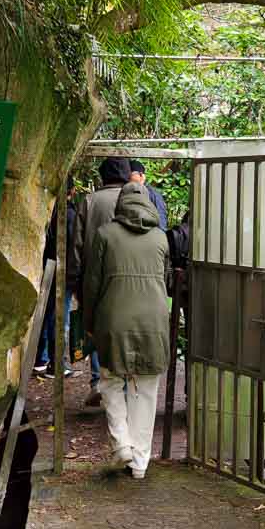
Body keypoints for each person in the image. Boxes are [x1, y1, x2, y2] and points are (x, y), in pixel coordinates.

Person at [83, 181, 171, 480]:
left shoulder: (104, 234)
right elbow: (167, 278)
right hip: (154, 319)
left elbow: (91, 283)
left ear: (120, 205)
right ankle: (140, 463)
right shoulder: (161, 238)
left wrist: (89, 323)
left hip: (114, 317)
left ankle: (121, 443)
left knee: (110, 380)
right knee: (145, 390)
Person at [70, 157, 133, 405]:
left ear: (102, 177)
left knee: (94, 329)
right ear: (127, 176)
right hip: (127, 278)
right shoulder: (137, 199)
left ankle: (99, 382)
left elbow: (76, 245)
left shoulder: (89, 201)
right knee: (125, 330)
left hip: (93, 279)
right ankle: (124, 386)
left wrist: (76, 281)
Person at [34, 177, 78, 378]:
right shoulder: (69, 215)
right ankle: (56, 363)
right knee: (59, 318)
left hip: (45, 267)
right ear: (73, 191)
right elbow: (72, 247)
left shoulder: (45, 211)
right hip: (62, 272)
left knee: (45, 313)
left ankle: (41, 359)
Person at [129, 160, 168, 230]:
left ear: (140, 175)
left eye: (130, 175)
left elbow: (161, 222)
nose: (127, 178)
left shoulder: (153, 194)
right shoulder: (129, 190)